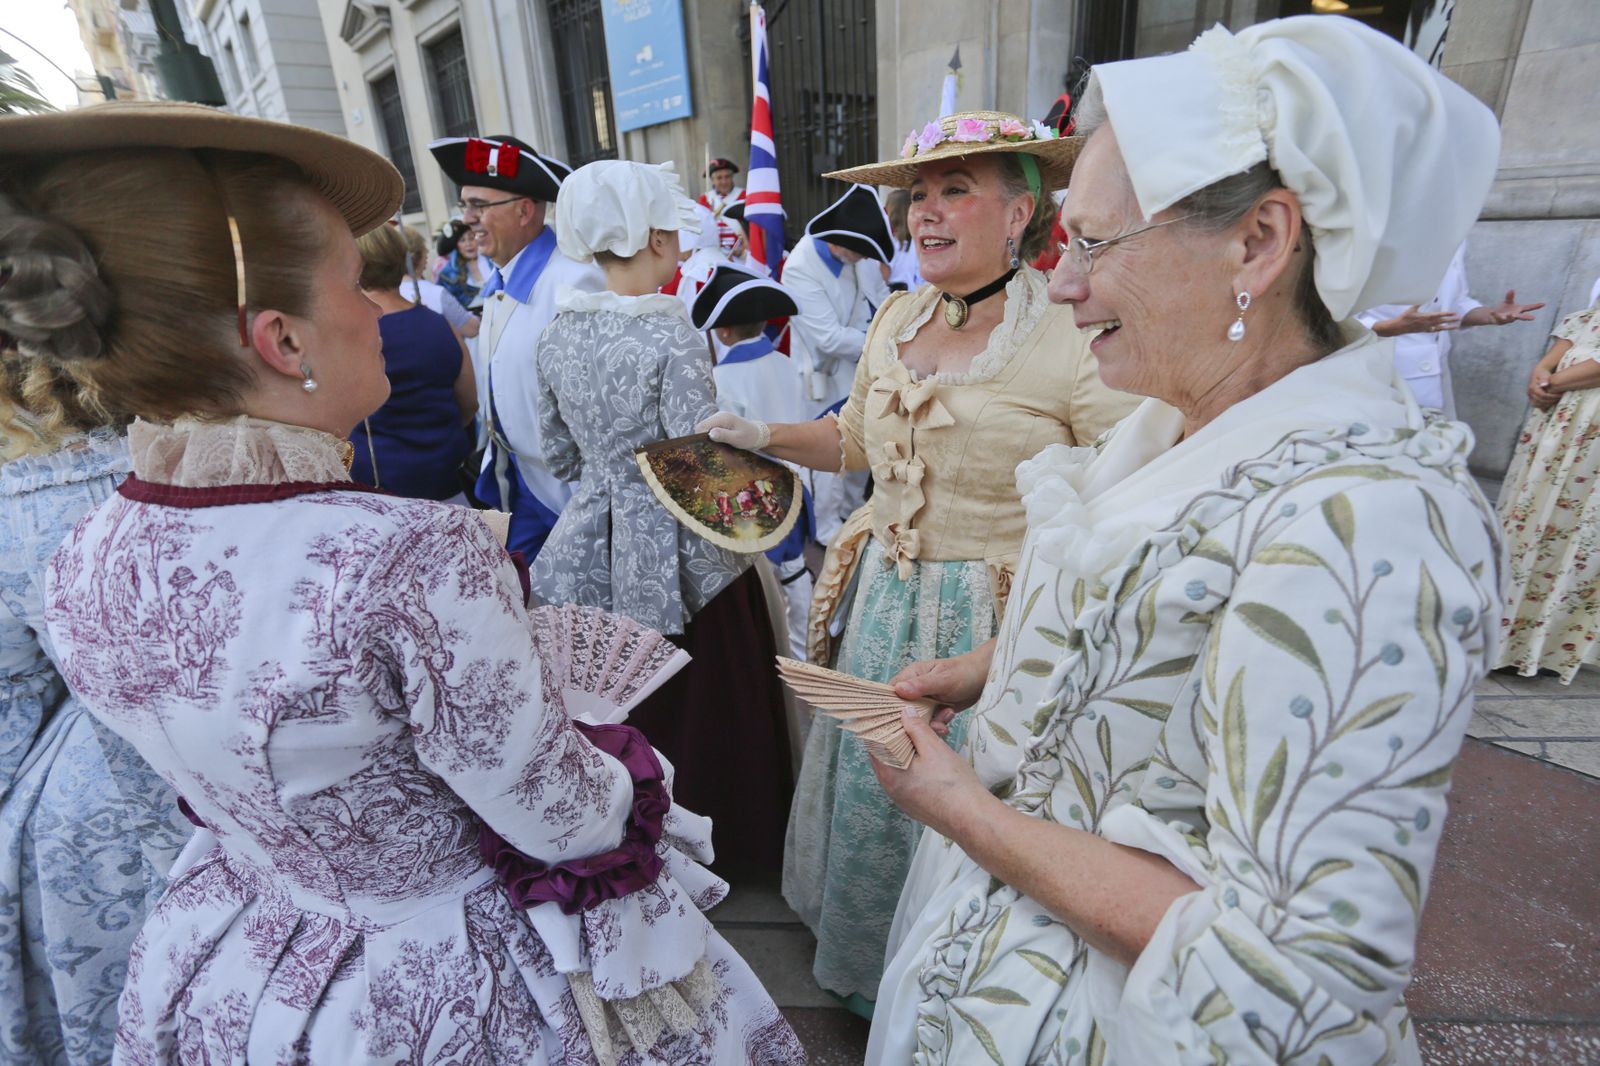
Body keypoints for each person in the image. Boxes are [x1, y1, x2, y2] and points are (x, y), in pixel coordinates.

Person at [13, 100, 802, 1066]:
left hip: (241, 956)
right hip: (433, 983)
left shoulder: (85, 547)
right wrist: (609, 753)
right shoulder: (408, 554)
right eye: (355, 284)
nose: (389, 311)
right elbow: (565, 820)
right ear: (283, 339)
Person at [862, 19, 1505, 1064]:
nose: (1062, 284)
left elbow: (1298, 973)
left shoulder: (1366, 520)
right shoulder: (1173, 420)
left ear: (1258, 242)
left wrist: (965, 813)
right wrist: (1003, 664)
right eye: (1061, 240)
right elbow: (1172, 622)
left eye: (1097, 241)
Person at [700, 109, 1140, 1016]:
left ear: (1021, 214)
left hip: (995, 624)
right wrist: (764, 434)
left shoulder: (1069, 330)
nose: (925, 214)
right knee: (876, 802)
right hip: (880, 602)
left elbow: (1118, 487)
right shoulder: (898, 314)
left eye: (956, 191)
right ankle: (869, 970)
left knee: (978, 812)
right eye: (919, 196)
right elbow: (855, 438)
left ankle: (956, 992)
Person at [531, 160, 794, 873]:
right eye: (673, 231)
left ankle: (630, 836)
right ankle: (728, 843)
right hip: (682, 548)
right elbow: (694, 453)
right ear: (652, 237)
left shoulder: (554, 334)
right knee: (710, 693)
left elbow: (558, 454)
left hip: (589, 538)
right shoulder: (670, 331)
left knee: (611, 693)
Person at [0, 257, 192, 1064]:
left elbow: (12, 700)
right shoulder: (216, 446)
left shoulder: (17, 506)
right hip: (268, 772)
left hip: (99, 812)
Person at [428, 133, 604, 558]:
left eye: (479, 205)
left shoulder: (574, 283)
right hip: (518, 486)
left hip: (572, 499)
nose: (466, 219)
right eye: (464, 205)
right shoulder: (501, 280)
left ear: (525, 210)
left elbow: (598, 412)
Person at [691, 263, 812, 663]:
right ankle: (805, 653)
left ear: (723, 331)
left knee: (762, 586)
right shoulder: (786, 362)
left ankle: (776, 658)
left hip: (754, 499)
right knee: (796, 575)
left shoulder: (722, 380)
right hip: (797, 482)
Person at [784, 184, 897, 546]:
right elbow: (828, 337)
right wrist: (886, 345)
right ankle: (826, 530)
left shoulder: (858, 254)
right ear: (835, 242)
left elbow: (879, 299)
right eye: (855, 253)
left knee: (860, 447)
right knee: (827, 456)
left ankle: (851, 513)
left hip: (863, 370)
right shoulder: (800, 267)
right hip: (824, 377)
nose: (860, 259)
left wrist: (896, 325)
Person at [1496, 304, 1600, 681]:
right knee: (1532, 520)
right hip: (1556, 433)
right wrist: (1541, 377)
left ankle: (1542, 644)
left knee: (1575, 529)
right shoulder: (1591, 311)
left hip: (1590, 443)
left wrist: (1552, 383)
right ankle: (1504, 633)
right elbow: (1555, 355)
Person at [350, 222, 476, 501]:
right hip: (448, 480)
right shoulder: (442, 326)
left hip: (381, 490)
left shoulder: (353, 337)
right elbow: (469, 404)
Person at [1356, 241, 1543, 415]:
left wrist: (1490, 315)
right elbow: (1333, 316)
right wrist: (1390, 328)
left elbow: (1453, 303)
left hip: (1434, 373)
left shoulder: (1454, 230)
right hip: (1375, 374)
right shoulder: (1364, 231)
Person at [398, 224, 480, 339]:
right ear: (418, 254)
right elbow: (471, 329)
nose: (427, 251)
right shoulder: (437, 293)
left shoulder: (388, 293)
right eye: (423, 247)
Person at [434, 219, 487, 308]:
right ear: (457, 246)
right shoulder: (448, 274)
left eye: (471, 238)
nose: (468, 244)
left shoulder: (492, 261)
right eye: (462, 240)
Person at [699, 157, 746, 256]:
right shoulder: (705, 199)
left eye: (727, 177)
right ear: (712, 180)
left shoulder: (744, 196)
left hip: (741, 254)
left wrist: (743, 249)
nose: (724, 181)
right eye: (719, 178)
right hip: (715, 254)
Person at [883, 189, 922, 292]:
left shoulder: (884, 242)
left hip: (889, 298)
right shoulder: (919, 241)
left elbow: (883, 278)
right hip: (915, 297)